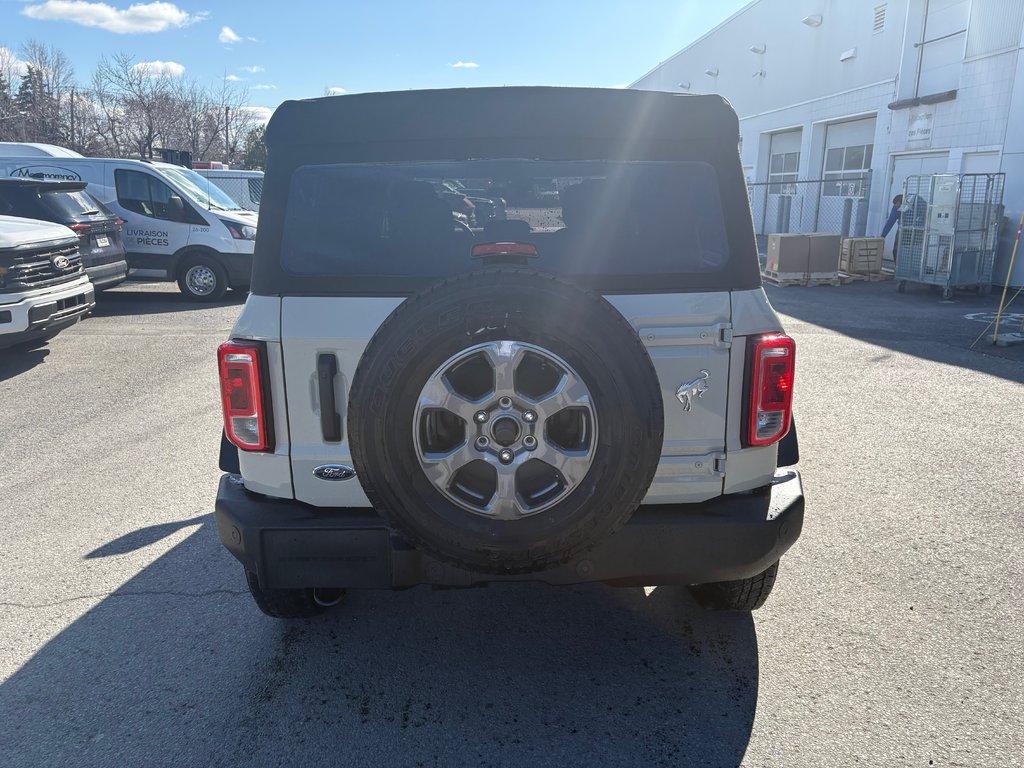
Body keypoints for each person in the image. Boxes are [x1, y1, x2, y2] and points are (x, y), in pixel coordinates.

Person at [881, 193, 903, 261]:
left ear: (900, 203)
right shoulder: (896, 208)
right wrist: (883, 236)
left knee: (897, 250)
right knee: (896, 250)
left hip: (907, 230)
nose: (895, 207)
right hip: (902, 229)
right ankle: (898, 268)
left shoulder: (899, 207)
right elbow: (890, 222)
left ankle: (900, 268)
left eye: (896, 205)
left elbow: (890, 222)